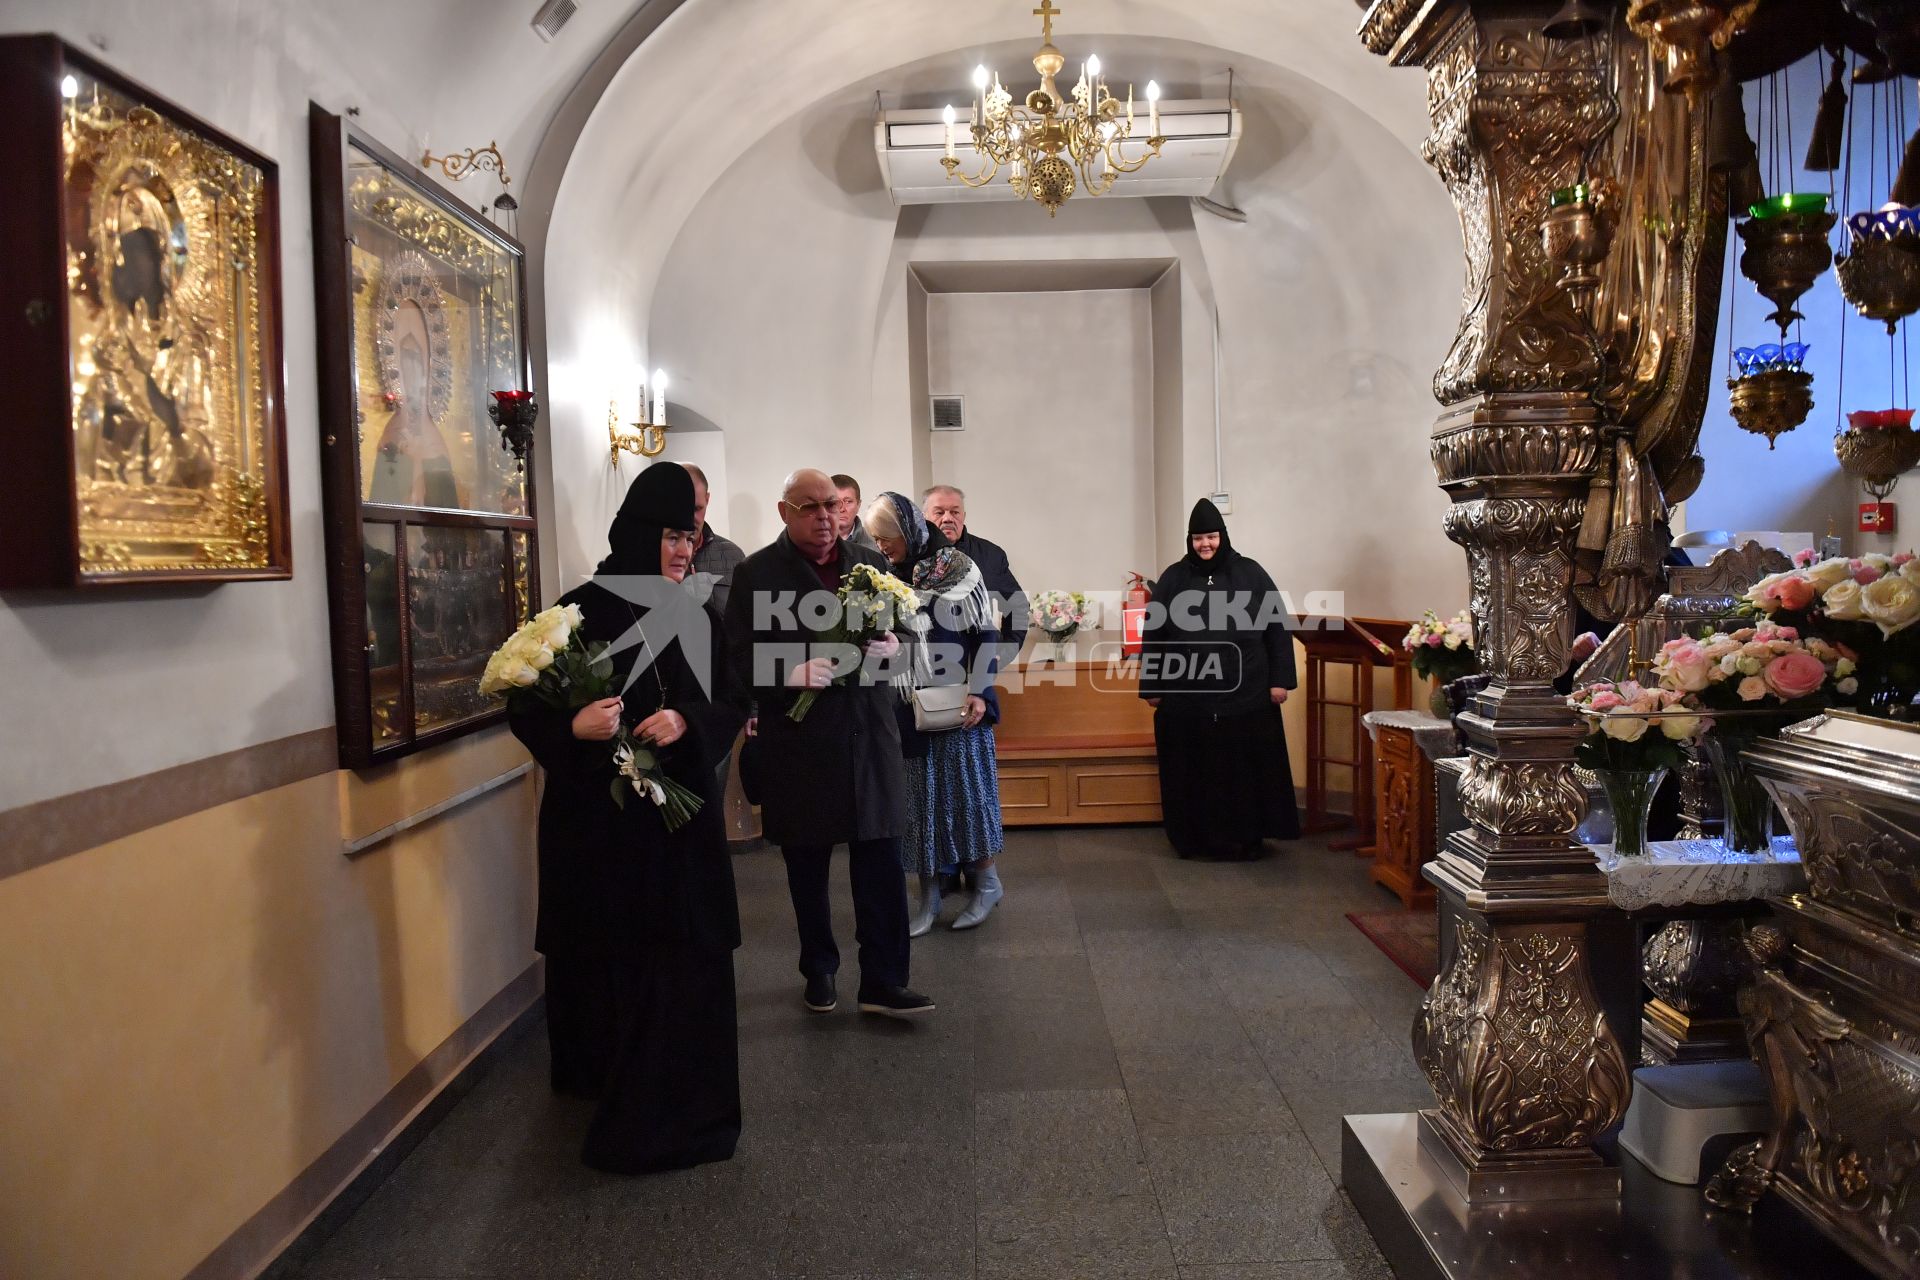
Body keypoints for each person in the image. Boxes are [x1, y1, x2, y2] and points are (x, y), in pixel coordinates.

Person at [506, 462, 749, 1174]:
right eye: (674, 535)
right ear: (643, 534)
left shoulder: (700, 614)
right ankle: (606, 1089)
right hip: (600, 831)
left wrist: (689, 722)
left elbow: (732, 699)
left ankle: (681, 1114)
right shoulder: (576, 612)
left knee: (681, 962)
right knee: (612, 962)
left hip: (678, 829)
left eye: (693, 536)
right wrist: (571, 728)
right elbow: (525, 701)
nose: (684, 550)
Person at [724, 468, 935, 1018]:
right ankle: (819, 967)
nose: (825, 518)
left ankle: (884, 980)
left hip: (869, 734)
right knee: (807, 863)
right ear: (784, 512)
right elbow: (734, 661)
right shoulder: (756, 574)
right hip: (801, 742)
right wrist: (790, 671)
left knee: (882, 859)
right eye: (810, 507)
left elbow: (910, 636)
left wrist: (897, 647)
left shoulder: (870, 566)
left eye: (832, 507)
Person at [862, 493, 1006, 934]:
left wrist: (981, 692)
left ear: (908, 531)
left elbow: (985, 634)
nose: (883, 546)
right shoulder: (886, 578)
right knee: (918, 803)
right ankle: (928, 896)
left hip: (959, 703)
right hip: (908, 707)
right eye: (876, 539)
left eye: (888, 538)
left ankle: (986, 883)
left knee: (967, 799)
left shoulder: (958, 569)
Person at [1140, 499, 1301, 860]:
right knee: (1195, 771)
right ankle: (1193, 840)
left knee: (1242, 771)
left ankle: (1247, 838)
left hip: (1246, 695)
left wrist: (1280, 681)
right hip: (1189, 697)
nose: (1205, 545)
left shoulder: (1251, 573)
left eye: (1211, 537)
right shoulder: (1173, 577)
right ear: (1190, 541)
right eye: (1198, 538)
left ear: (1222, 536)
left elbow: (1277, 628)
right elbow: (1155, 634)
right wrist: (1152, 686)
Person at [923, 484, 1027, 661]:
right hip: (924, 668)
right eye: (939, 512)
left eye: (955, 512)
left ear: (963, 516)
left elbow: (1017, 606)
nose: (948, 518)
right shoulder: (909, 555)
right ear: (924, 516)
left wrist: (1004, 652)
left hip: (976, 667)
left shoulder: (990, 555)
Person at [682, 462, 744, 617]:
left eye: (697, 509)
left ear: (707, 499)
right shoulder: (649, 557)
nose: (690, 518)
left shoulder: (734, 556)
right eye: (682, 508)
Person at [833, 473, 880, 552]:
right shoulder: (810, 544)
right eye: (835, 502)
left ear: (858, 505)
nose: (842, 509)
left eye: (848, 502)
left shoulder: (876, 546)